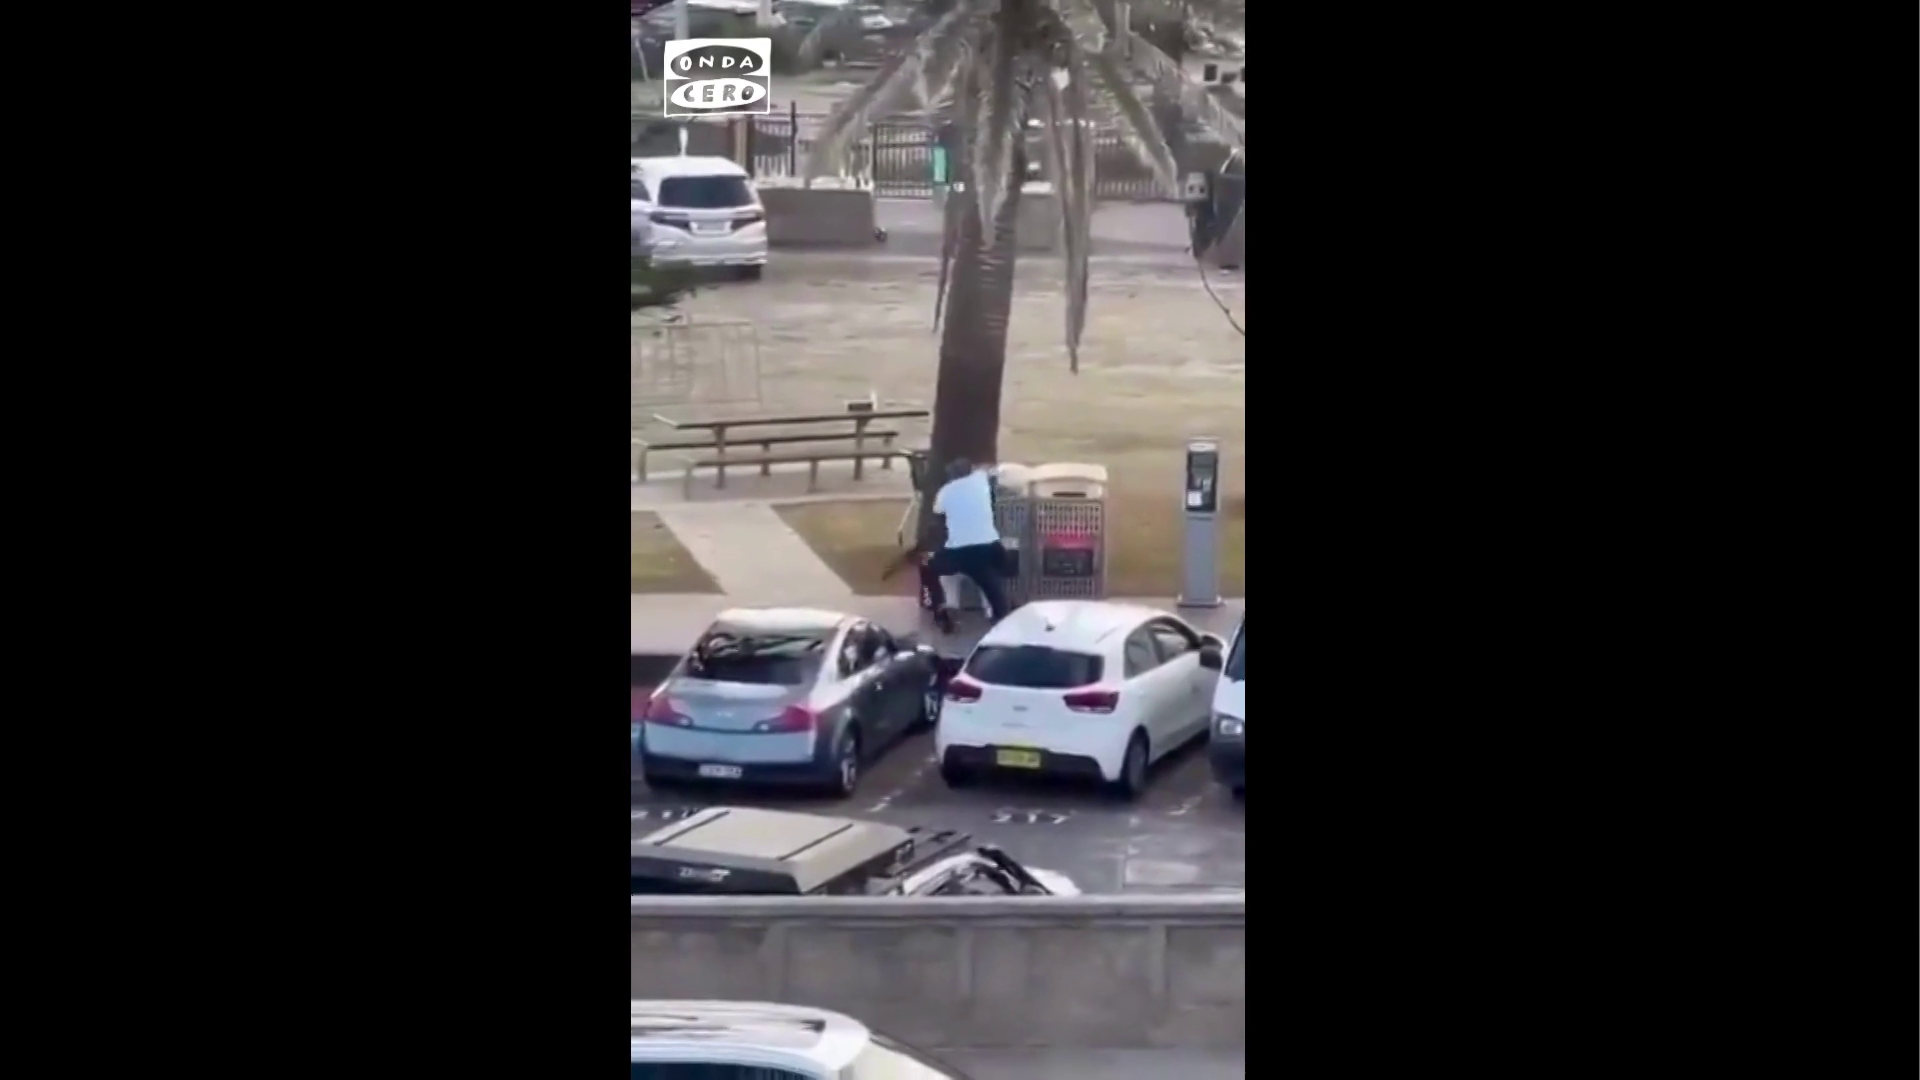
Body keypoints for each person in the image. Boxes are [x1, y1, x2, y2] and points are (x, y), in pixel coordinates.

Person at [881, 457, 1011, 633]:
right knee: (988, 580)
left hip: (958, 553)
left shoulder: (945, 492)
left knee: (928, 566)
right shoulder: (981, 481)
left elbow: (938, 513)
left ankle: (939, 607)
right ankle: (1001, 613)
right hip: (990, 549)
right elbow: (990, 469)